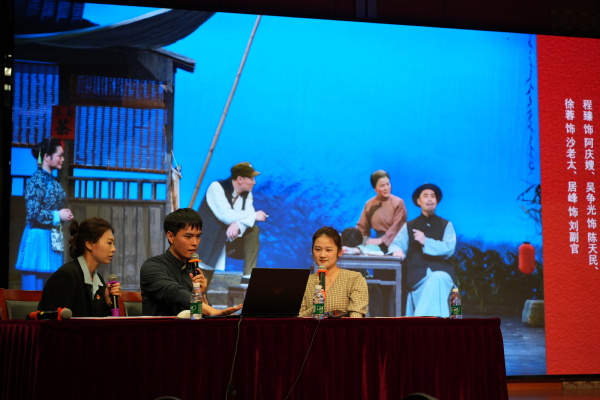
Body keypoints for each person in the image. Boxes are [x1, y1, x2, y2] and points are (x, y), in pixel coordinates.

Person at [140, 207, 242, 316]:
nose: (195, 243)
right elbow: (175, 293)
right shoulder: (151, 267)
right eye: (188, 236)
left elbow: (201, 314)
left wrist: (202, 295)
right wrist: (213, 311)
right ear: (171, 236)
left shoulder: (194, 270)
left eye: (198, 236)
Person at [388, 183, 456, 317]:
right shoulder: (409, 226)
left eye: (433, 196)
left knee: (438, 278)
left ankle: (424, 321)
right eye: (425, 196)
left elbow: (449, 248)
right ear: (419, 201)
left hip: (443, 271)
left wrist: (426, 241)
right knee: (433, 281)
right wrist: (397, 250)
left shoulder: (447, 225)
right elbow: (396, 244)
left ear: (436, 201)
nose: (430, 199)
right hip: (417, 274)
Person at [16, 137, 74, 290]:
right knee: (33, 291)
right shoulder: (36, 181)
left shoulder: (53, 182)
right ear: (47, 157)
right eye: (60, 155)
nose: (62, 159)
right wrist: (58, 215)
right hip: (37, 240)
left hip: (52, 238)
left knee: (52, 289)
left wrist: (64, 215)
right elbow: (33, 213)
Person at [37, 217, 120, 317]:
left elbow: (97, 321)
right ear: (89, 244)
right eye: (109, 243)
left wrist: (106, 303)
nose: (113, 249)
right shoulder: (66, 276)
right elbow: (54, 320)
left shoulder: (100, 281)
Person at [197, 162, 268, 277]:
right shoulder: (216, 187)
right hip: (207, 243)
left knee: (253, 230)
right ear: (240, 179)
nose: (254, 182)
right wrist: (254, 216)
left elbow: (246, 220)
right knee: (200, 284)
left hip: (229, 240)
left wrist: (238, 225)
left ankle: (248, 277)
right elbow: (226, 216)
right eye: (251, 178)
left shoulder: (247, 195)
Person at [298, 227, 369, 318]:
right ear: (312, 251)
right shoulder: (304, 282)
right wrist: (316, 307)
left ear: (339, 251)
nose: (322, 255)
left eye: (328, 250)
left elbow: (356, 315)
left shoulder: (354, 279)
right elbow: (298, 318)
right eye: (318, 249)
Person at [356, 170, 407, 254]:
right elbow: (362, 227)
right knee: (357, 251)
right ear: (375, 189)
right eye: (382, 186)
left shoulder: (398, 203)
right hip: (377, 242)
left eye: (388, 184)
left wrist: (381, 240)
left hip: (396, 242)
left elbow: (397, 228)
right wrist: (362, 240)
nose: (386, 188)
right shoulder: (370, 204)